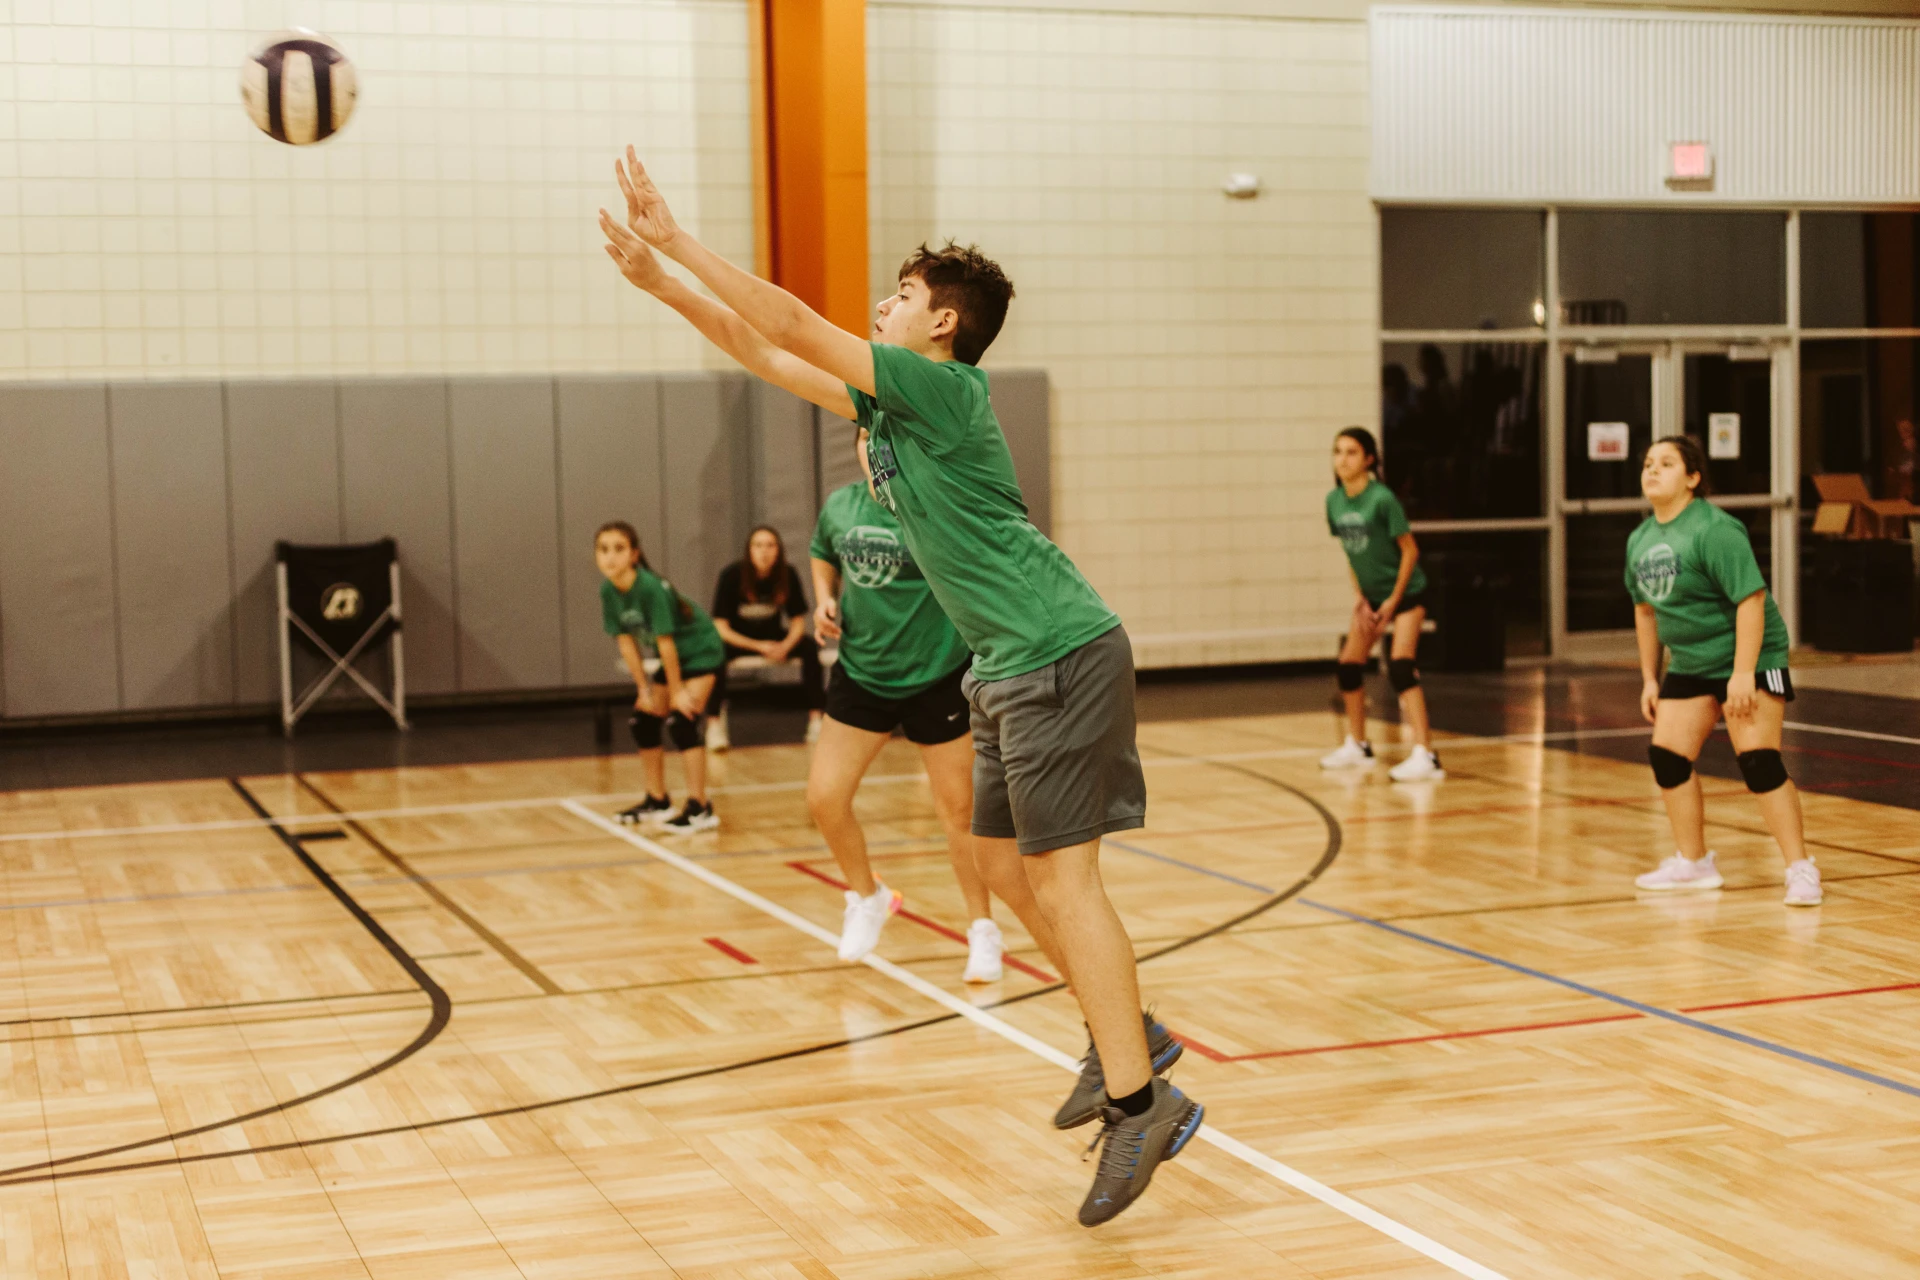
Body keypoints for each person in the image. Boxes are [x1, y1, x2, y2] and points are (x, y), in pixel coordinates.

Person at [599, 147, 1198, 1228]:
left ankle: (1141, 1101)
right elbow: (755, 346)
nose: (883, 299)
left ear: (942, 327)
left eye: (904, 292)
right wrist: (664, 286)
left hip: (1059, 647)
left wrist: (681, 236)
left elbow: (784, 319)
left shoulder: (942, 387)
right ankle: (1135, 1036)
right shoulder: (890, 410)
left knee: (1064, 884)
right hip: (1010, 663)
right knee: (1009, 877)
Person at [810, 476, 1021, 983]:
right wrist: (823, 598)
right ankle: (868, 897)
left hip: (937, 674)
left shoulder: (935, 500)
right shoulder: (842, 504)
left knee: (959, 813)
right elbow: (822, 550)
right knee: (824, 797)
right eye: (866, 438)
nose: (874, 449)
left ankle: (983, 929)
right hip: (862, 674)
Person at [1627, 435, 1818, 906]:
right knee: (1668, 757)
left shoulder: (1714, 530)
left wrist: (1741, 673)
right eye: (1648, 463)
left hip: (1752, 655)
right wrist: (1651, 678)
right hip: (1692, 660)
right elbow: (1646, 612)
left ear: (1692, 479)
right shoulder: (1640, 539)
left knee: (1758, 760)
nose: (1652, 470)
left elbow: (1750, 601)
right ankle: (1693, 863)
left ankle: (1800, 869)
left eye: (1666, 464)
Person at [1319, 427, 1443, 782]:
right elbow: (1352, 554)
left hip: (1406, 595)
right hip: (1371, 597)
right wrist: (1361, 597)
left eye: (1352, 452)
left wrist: (1392, 600)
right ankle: (1358, 745)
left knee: (1402, 666)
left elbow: (1410, 551)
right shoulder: (1334, 501)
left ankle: (1426, 754)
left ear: (1369, 459)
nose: (1343, 459)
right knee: (1348, 666)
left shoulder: (1382, 499)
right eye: (1338, 451)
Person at [594, 520, 726, 833]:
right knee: (644, 721)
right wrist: (643, 689)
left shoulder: (651, 587)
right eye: (603, 550)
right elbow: (626, 643)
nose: (609, 557)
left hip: (701, 652)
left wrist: (677, 691)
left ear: (634, 554)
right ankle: (657, 799)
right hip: (675, 659)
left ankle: (699, 807)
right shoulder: (609, 591)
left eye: (618, 549)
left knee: (682, 720)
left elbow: (665, 644)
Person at [709, 525, 825, 750]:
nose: (764, 551)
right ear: (749, 550)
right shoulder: (731, 576)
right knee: (714, 653)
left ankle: (816, 720)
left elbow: (798, 623)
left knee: (810, 647)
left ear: (778, 550)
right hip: (740, 640)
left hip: (773, 639)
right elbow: (721, 628)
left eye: (770, 545)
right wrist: (759, 646)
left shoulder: (787, 574)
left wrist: (785, 645)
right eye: (758, 545)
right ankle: (714, 725)